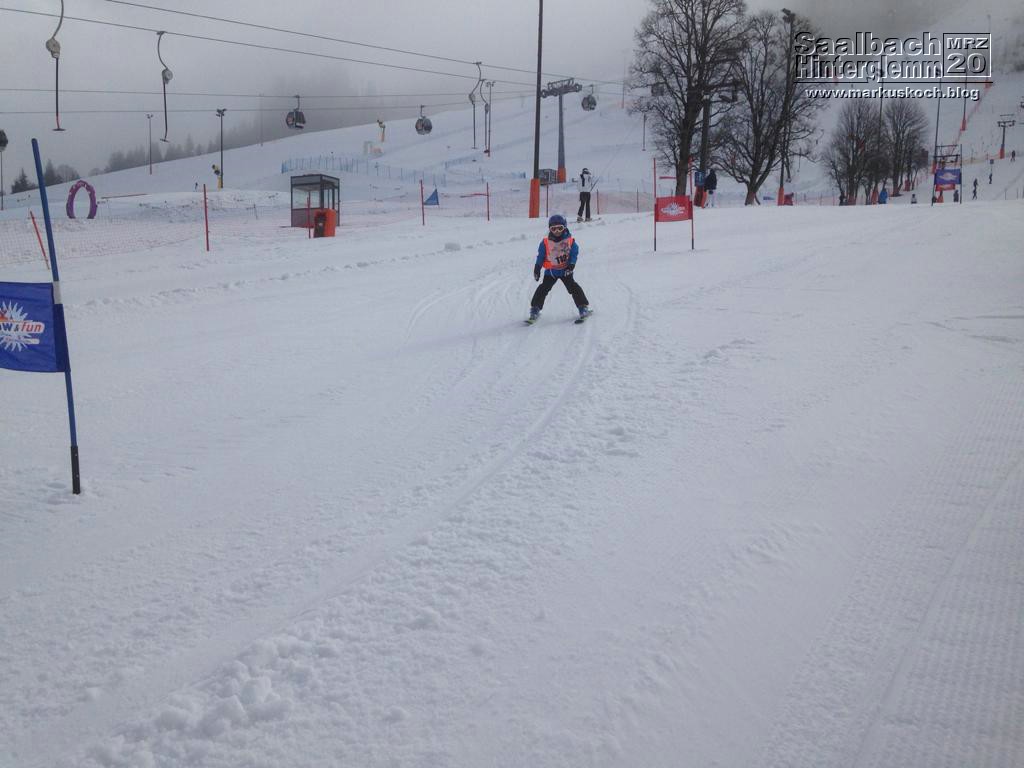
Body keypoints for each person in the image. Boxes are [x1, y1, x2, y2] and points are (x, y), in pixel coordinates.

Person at [528, 214, 591, 322]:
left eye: (560, 228)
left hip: (566, 270)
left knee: (573, 287)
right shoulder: (545, 243)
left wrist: (571, 265)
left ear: (565, 227)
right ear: (549, 229)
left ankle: (583, 307)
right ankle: (535, 309)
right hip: (551, 272)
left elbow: (574, 253)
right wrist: (537, 268)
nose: (557, 231)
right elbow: (541, 256)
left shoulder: (570, 241)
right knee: (543, 289)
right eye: (553, 229)